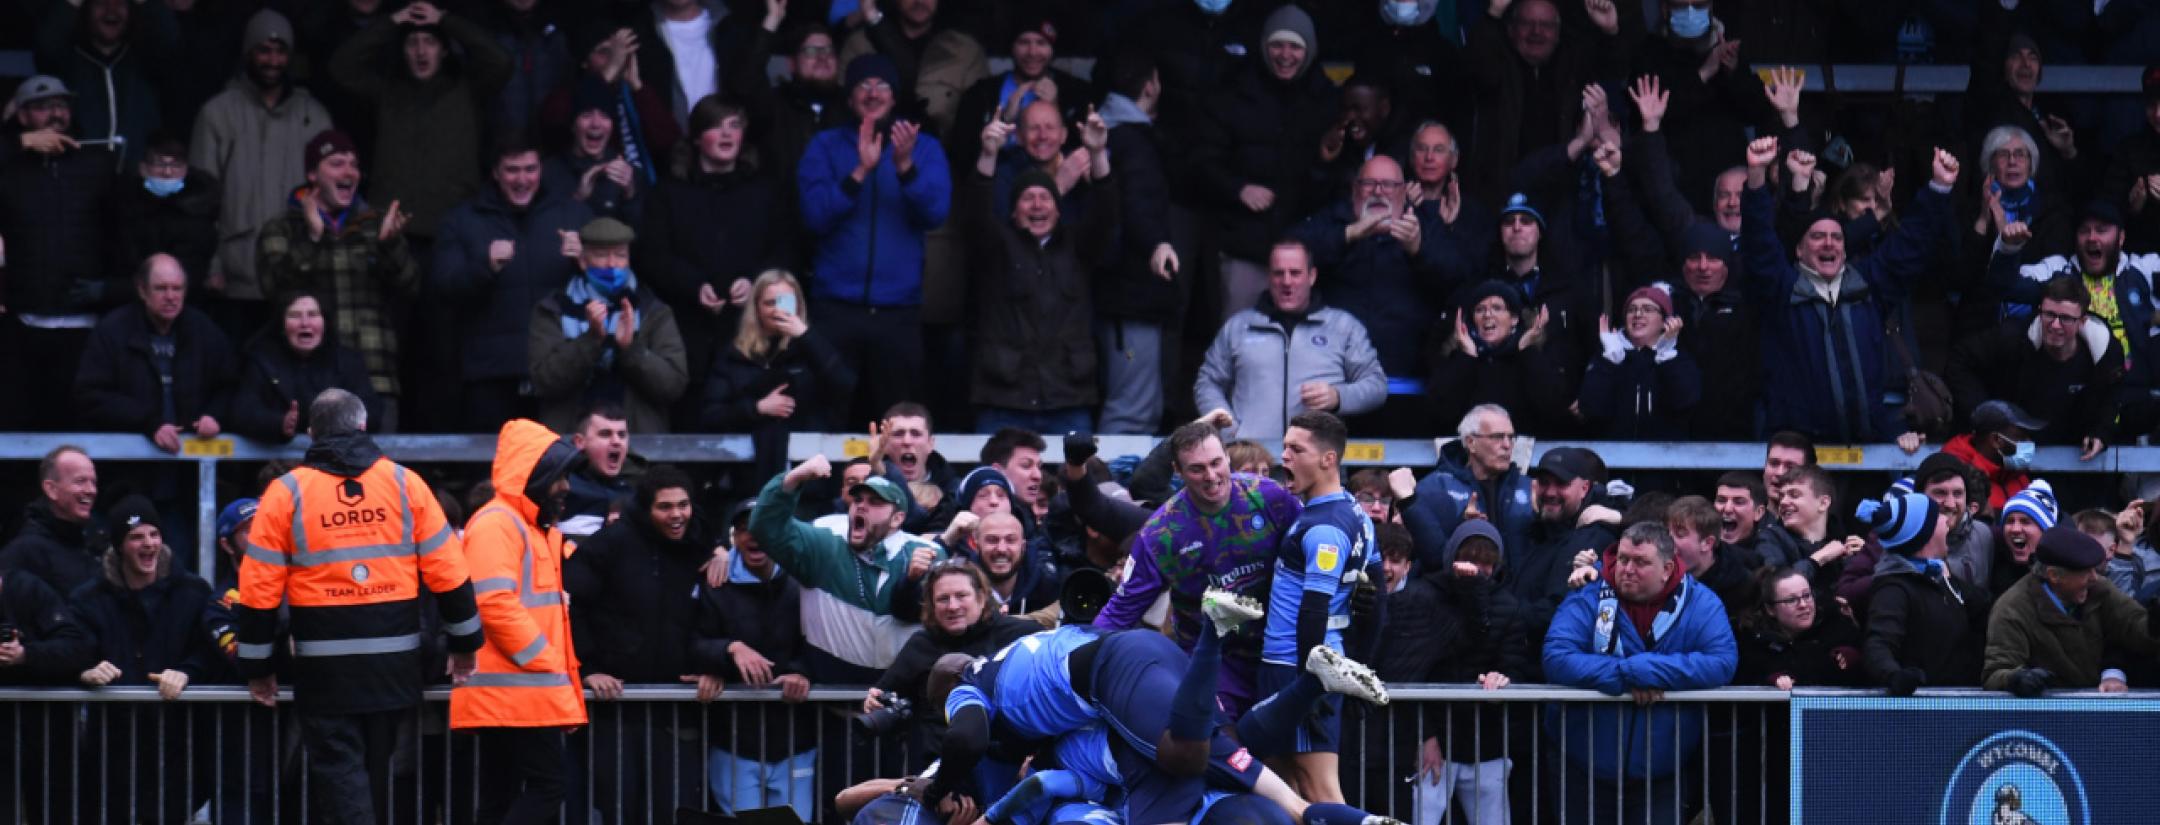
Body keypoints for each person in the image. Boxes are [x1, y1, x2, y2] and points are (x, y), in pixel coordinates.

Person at [236, 389, 484, 823]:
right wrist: (465, 646)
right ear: (363, 426)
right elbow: (450, 573)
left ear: (312, 433)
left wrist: (258, 668)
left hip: (324, 672)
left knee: (342, 780)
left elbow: (259, 589)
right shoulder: (406, 484)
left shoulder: (285, 493)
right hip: (396, 665)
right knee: (378, 775)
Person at [1739, 137, 1960, 442]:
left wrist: (1938, 188)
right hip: (1800, 453)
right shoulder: (1783, 289)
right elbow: (1758, 243)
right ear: (1799, 251)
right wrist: (1756, 176)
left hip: (1866, 442)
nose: (1829, 243)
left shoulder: (1866, 286)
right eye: (1817, 237)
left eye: (1837, 237)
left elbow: (1909, 246)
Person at [1093, 420, 1303, 717]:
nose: (1211, 476)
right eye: (1197, 469)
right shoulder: (1161, 533)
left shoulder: (1270, 497)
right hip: (1215, 662)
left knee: (1285, 756)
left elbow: (1315, 551)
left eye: (1217, 463)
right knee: (1225, 751)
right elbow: (1121, 609)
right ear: (1178, 473)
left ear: (1227, 457)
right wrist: (1075, 656)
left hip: (1278, 651)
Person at [1542, 522, 1738, 825]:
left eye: (1641, 562)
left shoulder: (1701, 602)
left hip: (1663, 771)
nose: (1627, 569)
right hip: (1583, 766)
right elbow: (1557, 656)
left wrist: (1649, 669)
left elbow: (1722, 661)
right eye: (1623, 559)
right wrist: (1624, 674)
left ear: (1667, 568)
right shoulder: (1589, 593)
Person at [798, 54, 952, 422]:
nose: (872, 92)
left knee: (897, 422)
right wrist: (859, 172)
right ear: (849, 97)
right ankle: (824, 482)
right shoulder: (825, 146)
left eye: (881, 85)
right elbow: (814, 217)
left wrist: (905, 168)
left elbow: (935, 214)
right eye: (862, 85)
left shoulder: (923, 148)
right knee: (825, 417)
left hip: (897, 312)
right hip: (835, 307)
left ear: (894, 96)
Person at [452, 418, 588, 825]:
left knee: (500, 796)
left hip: (514, 691)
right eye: (558, 476)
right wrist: (546, 662)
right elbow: (493, 602)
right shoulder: (500, 523)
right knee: (549, 785)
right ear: (534, 475)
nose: (565, 487)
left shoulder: (524, 526)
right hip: (521, 691)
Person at [67, 495, 230, 825]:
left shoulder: (193, 591)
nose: (148, 544)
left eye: (154, 534)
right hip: (112, 747)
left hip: (177, 744)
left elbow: (210, 649)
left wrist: (187, 672)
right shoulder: (89, 598)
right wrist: (84, 670)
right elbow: (72, 646)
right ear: (118, 545)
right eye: (136, 536)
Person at [563, 464, 711, 818]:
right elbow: (570, 606)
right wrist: (588, 669)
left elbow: (711, 617)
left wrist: (712, 666)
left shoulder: (700, 542)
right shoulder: (611, 545)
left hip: (675, 708)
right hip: (614, 708)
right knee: (620, 809)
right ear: (646, 508)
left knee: (673, 810)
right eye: (665, 507)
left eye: (683, 505)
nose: (677, 515)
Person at [645, 96, 803, 425]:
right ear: (696, 137)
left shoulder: (765, 192)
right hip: (688, 331)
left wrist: (755, 280)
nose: (727, 134)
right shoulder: (668, 193)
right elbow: (652, 256)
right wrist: (694, 286)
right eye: (716, 126)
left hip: (751, 333)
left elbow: (786, 250)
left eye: (734, 126)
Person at [963, 114, 1118, 435]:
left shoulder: (1078, 246)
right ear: (1013, 210)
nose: (1037, 205)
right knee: (996, 486)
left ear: (1059, 209)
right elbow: (976, 212)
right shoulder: (996, 247)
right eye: (1027, 198)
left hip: (1067, 400)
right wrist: (989, 154)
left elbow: (1106, 212)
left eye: (1045, 197)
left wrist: (1098, 153)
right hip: (1004, 400)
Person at [255, 128, 421, 427]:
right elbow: (274, 289)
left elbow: (411, 287)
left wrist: (390, 246)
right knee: (318, 472)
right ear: (312, 174)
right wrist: (313, 239)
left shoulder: (376, 225)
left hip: (375, 375)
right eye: (336, 163)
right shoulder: (283, 228)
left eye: (354, 164)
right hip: (307, 377)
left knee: (376, 472)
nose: (349, 171)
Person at [433, 133, 594, 431]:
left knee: (556, 471)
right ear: (495, 172)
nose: (522, 179)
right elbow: (443, 286)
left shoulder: (573, 215)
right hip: (490, 374)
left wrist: (587, 263)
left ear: (541, 169)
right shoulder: (462, 219)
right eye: (512, 170)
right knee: (492, 474)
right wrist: (485, 265)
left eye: (530, 169)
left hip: (559, 370)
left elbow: (614, 286)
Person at [1191, 4, 1339, 323]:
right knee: (1241, 343)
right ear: (1263, 46)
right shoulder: (1234, 93)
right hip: (1243, 246)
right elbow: (1202, 161)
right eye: (1277, 44)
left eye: (1295, 46)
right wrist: (1238, 189)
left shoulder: (1326, 100)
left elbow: (1330, 186)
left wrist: (1323, 163)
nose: (1285, 54)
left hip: (1302, 248)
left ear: (1309, 50)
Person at [1258, 411, 1378, 802]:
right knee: (1285, 788)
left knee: (1318, 788)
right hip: (1311, 662)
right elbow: (1379, 601)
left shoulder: (1325, 528)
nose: (1285, 456)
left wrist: (1308, 685)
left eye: (1296, 448)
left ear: (1328, 459)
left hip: (1295, 665)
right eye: (1285, 446)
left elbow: (1314, 610)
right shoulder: (1355, 515)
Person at [190, 9, 334, 333]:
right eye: (264, 50)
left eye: (281, 51)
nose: (273, 60)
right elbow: (198, 203)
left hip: (297, 278)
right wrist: (210, 265)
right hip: (235, 276)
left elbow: (331, 199)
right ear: (248, 53)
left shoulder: (313, 115)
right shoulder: (217, 113)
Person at [1291, 154, 1456, 431]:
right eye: (1369, 183)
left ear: (1404, 192)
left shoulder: (1425, 226)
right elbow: (1290, 255)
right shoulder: (1334, 220)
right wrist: (1350, 234)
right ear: (1355, 189)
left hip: (1407, 384)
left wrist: (1418, 250)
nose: (1378, 191)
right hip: (1335, 388)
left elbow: (1459, 277)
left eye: (1388, 185)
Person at [1378, 519, 1526, 825]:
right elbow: (1410, 673)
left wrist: (1504, 682)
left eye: (1487, 563)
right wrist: (1426, 735)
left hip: (1486, 747)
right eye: (1470, 559)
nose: (1477, 570)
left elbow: (1517, 667)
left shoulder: (1508, 607)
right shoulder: (1424, 597)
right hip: (1434, 747)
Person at [326, 1, 512, 244]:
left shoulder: (467, 89)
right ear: (402, 50)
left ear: (444, 50)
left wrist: (445, 20)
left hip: (452, 226)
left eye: (430, 42)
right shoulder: (386, 90)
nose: (421, 51)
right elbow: (341, 66)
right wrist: (393, 21)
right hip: (393, 227)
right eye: (412, 42)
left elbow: (502, 62)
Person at [752, 455, 945, 683]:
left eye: (875, 502)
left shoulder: (927, 552)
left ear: (897, 519)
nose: (861, 506)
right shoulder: (826, 542)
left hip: (902, 703)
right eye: (857, 500)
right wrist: (795, 477)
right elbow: (765, 527)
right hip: (831, 702)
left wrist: (914, 580)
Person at [0, 75, 121, 431]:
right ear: (22, 117)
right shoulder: (9, 167)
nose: (55, 115)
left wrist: (109, 288)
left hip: (84, 324)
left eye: (61, 105)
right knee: (21, 420)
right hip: (22, 323)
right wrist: (17, 144)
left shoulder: (95, 164)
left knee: (79, 422)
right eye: (42, 107)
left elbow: (119, 236)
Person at [692, 498, 818, 820]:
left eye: (762, 527)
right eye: (744, 530)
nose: (754, 536)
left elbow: (823, 640)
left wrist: (801, 673)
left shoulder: (802, 579)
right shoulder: (715, 583)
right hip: (734, 741)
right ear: (733, 538)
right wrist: (728, 650)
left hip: (795, 741)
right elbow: (693, 642)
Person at [1195, 238, 1387, 441]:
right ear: (1269, 277)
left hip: (1319, 463)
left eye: (1295, 273)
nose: (1286, 282)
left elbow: (1376, 385)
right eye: (1279, 273)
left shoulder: (1342, 327)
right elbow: (1207, 382)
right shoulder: (1239, 327)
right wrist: (1228, 428)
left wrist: (1338, 396)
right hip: (1252, 463)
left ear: (1312, 276)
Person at [528, 216, 690, 435]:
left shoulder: (653, 311)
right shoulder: (553, 309)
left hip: (637, 451)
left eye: (620, 255)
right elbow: (544, 381)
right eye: (602, 255)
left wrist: (631, 350)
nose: (612, 264)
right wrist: (591, 340)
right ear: (583, 261)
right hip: (571, 446)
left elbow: (673, 385)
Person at [1092, 51, 1182, 435]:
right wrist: (1157, 244)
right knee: (1132, 413)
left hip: (1117, 293)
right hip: (1131, 295)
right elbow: (1138, 206)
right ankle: (1111, 494)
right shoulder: (1133, 141)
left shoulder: (1107, 134)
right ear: (1151, 85)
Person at [72, 253, 238, 452]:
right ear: (142, 290)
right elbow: (91, 395)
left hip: (191, 459)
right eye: (161, 288)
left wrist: (214, 415)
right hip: (129, 460)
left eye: (177, 288)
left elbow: (230, 385)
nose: (170, 296)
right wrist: (148, 422)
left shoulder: (204, 331)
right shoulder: (112, 331)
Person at [1948, 274, 2122, 461]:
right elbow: (1959, 359)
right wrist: (1985, 415)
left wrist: (2101, 431)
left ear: (2082, 322)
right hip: (2014, 449)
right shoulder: (2014, 338)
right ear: (2040, 311)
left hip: (2078, 452)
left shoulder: (2105, 351)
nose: (2055, 325)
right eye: (2049, 315)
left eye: (2065, 318)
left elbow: (2114, 393)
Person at [701, 270, 855, 477]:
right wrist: (757, 408)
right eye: (769, 303)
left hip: (809, 474)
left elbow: (844, 385)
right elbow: (712, 415)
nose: (777, 310)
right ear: (756, 308)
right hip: (748, 473)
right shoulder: (734, 354)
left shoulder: (815, 347)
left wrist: (806, 337)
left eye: (784, 302)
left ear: (798, 305)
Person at [1983, 527, 2160, 696]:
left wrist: (2154, 623)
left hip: (2096, 705)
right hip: (2044, 712)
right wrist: (2016, 679)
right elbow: (1995, 673)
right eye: (2085, 572)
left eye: (2094, 569)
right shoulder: (2012, 608)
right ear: (2054, 575)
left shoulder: (2100, 590)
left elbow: (2136, 628)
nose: (2094, 577)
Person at [1860, 489, 1991, 695]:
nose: (1947, 521)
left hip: (1960, 703)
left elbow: (1985, 608)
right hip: (1921, 712)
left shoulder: (1939, 576)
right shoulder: (1894, 589)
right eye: (1938, 516)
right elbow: (1878, 646)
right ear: (1924, 532)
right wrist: (1895, 676)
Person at [228, 290, 383, 442]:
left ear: (325, 323)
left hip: (337, 459)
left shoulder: (348, 362)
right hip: (276, 460)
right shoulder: (262, 361)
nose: (305, 323)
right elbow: (243, 413)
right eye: (295, 315)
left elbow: (372, 413)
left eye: (313, 314)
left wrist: (332, 424)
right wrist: (279, 423)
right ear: (282, 325)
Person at [1427, 279, 1576, 437]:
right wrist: (1466, 357)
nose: (1487, 314)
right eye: (1479, 310)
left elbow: (1554, 408)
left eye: (1497, 308)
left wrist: (1527, 351)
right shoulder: (1459, 358)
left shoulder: (1531, 356)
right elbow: (1440, 413)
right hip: (1470, 454)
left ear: (1514, 319)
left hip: (1523, 455)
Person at [1400, 404, 1535, 574]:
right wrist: (1461, 527)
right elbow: (1431, 559)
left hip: (1518, 597)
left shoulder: (1531, 488)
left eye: (1511, 437)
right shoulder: (1434, 489)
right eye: (1498, 437)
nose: (1507, 445)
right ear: (1471, 443)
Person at [836, 0, 988, 135]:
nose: (919, 1)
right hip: (865, 152)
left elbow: (977, 121)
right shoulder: (860, 44)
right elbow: (840, 112)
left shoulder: (965, 50)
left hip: (942, 156)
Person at [1578, 284, 1700, 438]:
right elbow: (1589, 409)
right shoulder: (1609, 355)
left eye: (1648, 309)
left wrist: (1666, 357)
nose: (1638, 314)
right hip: (1614, 454)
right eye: (1631, 310)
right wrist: (1610, 361)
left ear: (1665, 321)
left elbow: (1686, 401)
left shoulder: (1677, 358)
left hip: (1667, 455)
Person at [117, 132, 222, 290]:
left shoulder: (198, 212)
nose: (167, 172)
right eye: (160, 164)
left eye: (175, 165)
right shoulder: (124, 207)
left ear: (186, 170)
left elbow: (190, 272)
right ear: (143, 169)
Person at [0, 446, 103, 598]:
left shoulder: (98, 543)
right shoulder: (25, 552)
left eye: (93, 482)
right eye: (80, 481)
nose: (91, 490)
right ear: (51, 489)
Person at [1941, 400, 2041, 514]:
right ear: (1996, 440)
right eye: (2021, 437)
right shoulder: (1956, 479)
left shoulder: (2018, 476)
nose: (2029, 443)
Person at [1669, 495, 1762, 615]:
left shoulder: (1743, 589)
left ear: (1707, 543)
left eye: (1680, 534)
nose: (1668, 541)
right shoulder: (1659, 576)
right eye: (1668, 533)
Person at [559, 403, 640, 541]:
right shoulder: (561, 488)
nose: (616, 441)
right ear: (579, 442)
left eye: (622, 435)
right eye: (605, 434)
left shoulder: (640, 491)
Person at [1989, 481, 2061, 597]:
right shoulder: (1994, 573)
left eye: (2025, 522)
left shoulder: (2064, 579)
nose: (2015, 529)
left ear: (2046, 530)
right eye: (2010, 521)